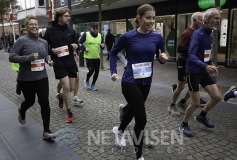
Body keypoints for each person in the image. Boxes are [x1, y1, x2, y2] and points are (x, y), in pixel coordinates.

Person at [110, 4, 168, 160]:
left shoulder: (157, 37)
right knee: (141, 118)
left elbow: (162, 56)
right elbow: (113, 52)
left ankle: (119, 130)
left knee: (133, 110)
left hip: (146, 82)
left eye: (153, 18)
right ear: (139, 17)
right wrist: (113, 71)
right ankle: (139, 155)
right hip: (130, 81)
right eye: (148, 17)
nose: (151, 21)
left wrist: (163, 59)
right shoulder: (127, 37)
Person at [9, 15, 55, 140]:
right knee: (30, 101)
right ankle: (22, 110)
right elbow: (11, 57)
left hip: (41, 76)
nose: (34, 26)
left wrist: (48, 61)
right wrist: (29, 57)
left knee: (44, 102)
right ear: (27, 26)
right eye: (31, 24)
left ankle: (46, 131)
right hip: (26, 78)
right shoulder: (21, 41)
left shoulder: (43, 42)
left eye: (35, 24)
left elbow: (45, 55)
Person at [179, 8, 222, 137]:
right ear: (207, 20)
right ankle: (184, 124)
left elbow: (205, 53)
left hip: (203, 70)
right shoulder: (198, 34)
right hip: (193, 72)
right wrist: (205, 66)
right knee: (195, 103)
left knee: (217, 97)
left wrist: (211, 63)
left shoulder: (211, 33)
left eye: (219, 18)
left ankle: (202, 116)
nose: (218, 21)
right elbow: (191, 55)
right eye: (215, 18)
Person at [43, 8, 79, 123]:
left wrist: (76, 46)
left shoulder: (71, 31)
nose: (69, 18)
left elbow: (77, 43)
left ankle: (60, 96)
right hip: (59, 63)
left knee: (72, 88)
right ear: (59, 17)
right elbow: (43, 45)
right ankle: (69, 112)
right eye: (66, 16)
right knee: (67, 87)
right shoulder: (50, 30)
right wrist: (51, 50)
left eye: (69, 16)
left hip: (70, 62)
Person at [169, 12, 207, 116]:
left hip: (193, 62)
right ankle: (172, 105)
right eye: (201, 20)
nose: (203, 22)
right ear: (194, 20)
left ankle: (182, 102)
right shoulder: (187, 33)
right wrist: (195, 48)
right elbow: (179, 48)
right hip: (183, 61)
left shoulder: (200, 32)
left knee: (196, 84)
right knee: (181, 87)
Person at [79, 23, 105, 91]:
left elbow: (102, 45)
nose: (95, 29)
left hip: (96, 57)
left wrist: (103, 46)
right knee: (91, 70)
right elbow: (79, 43)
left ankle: (93, 84)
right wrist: (84, 48)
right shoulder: (86, 34)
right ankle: (87, 81)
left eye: (96, 28)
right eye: (94, 28)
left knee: (97, 72)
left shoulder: (100, 36)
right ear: (91, 28)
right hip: (89, 57)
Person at [11, 28, 28, 95]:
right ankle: (19, 86)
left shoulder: (29, 41)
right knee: (21, 77)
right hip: (18, 64)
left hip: (26, 63)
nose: (25, 35)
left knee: (26, 77)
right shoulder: (18, 41)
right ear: (21, 34)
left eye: (26, 33)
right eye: (24, 33)